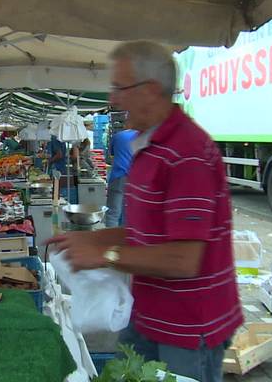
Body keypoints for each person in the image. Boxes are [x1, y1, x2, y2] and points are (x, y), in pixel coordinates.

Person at [46, 41, 241, 382]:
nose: (112, 99)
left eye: (120, 88)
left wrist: (104, 253)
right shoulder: (149, 146)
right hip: (147, 315)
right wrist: (88, 239)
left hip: (188, 329)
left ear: (151, 90)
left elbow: (184, 259)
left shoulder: (188, 152)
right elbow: (146, 231)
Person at [105, 128, 138, 227]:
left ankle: (111, 240)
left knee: (112, 213)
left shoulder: (117, 136)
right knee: (130, 214)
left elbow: (111, 154)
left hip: (118, 176)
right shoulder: (142, 136)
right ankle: (127, 240)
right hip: (136, 178)